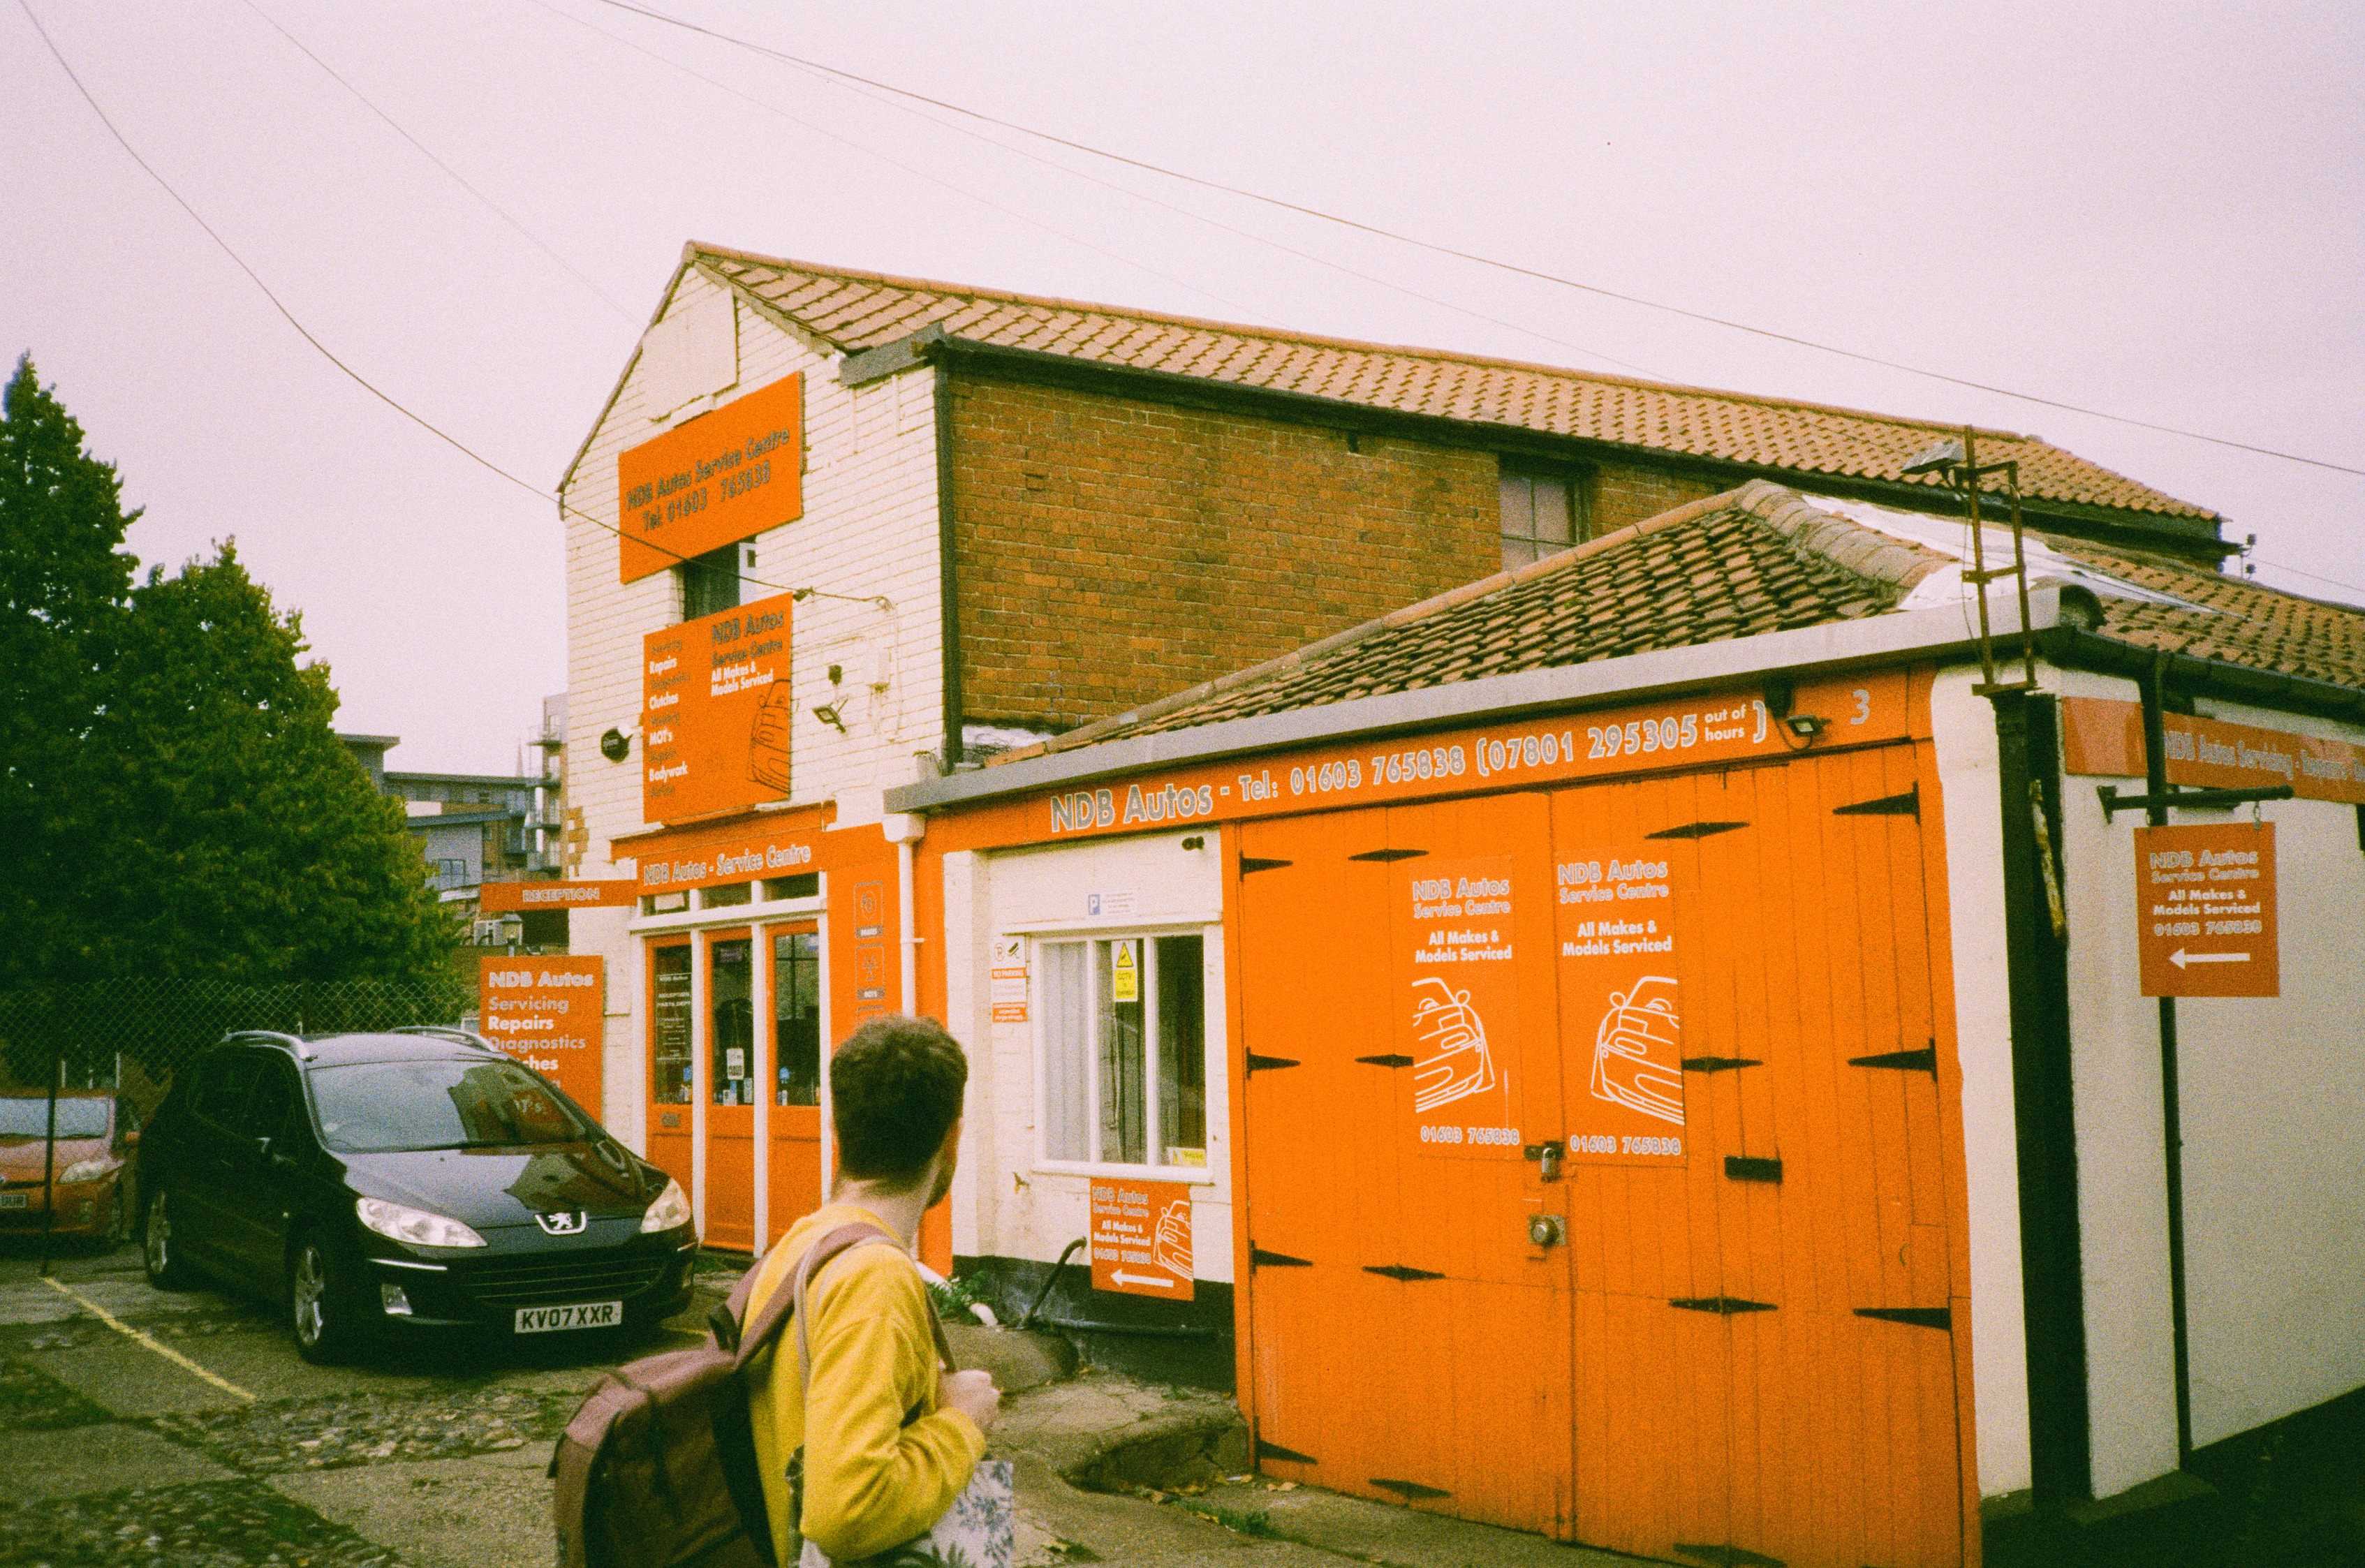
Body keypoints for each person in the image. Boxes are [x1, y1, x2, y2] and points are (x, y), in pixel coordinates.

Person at [744, 1014, 1001, 1562]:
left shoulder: (804, 1243)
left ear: (837, 1130)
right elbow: (846, 1512)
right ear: (952, 1137)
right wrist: (963, 1421)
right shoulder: (875, 1277)